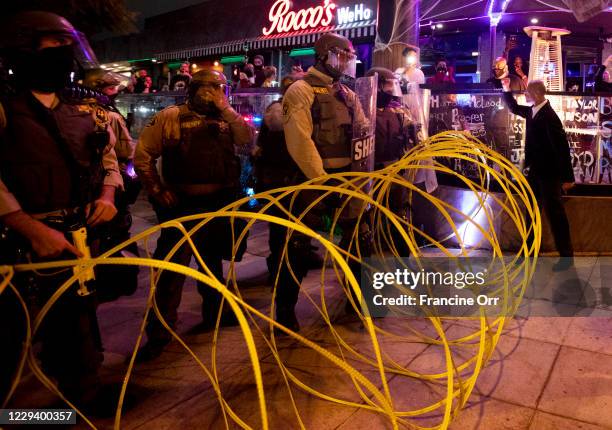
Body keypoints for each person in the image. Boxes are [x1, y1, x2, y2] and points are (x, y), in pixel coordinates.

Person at [0, 11, 123, 413]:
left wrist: (107, 196)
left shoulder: (83, 112)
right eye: (53, 47)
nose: (64, 56)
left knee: (78, 322)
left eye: (66, 47)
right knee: (12, 337)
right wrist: (25, 225)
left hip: (75, 239)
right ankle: (18, 414)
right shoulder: (5, 111)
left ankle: (78, 398)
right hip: (18, 247)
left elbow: (108, 160)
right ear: (24, 52)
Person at [134, 69, 254, 361]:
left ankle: (215, 314)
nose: (218, 93)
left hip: (219, 202)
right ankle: (159, 332)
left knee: (212, 264)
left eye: (221, 89)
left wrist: (226, 109)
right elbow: (143, 155)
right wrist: (156, 189)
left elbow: (246, 139)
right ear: (197, 88)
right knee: (171, 270)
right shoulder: (171, 116)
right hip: (183, 205)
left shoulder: (227, 119)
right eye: (213, 88)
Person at [279, 32, 372, 330]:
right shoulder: (300, 91)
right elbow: (300, 141)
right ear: (326, 55)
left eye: (349, 57)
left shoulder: (348, 94)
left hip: (348, 181)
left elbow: (363, 132)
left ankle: (356, 302)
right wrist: (321, 181)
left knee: (359, 241)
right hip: (313, 183)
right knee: (297, 245)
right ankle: (284, 313)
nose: (347, 62)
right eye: (343, 56)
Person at [502, 79, 574, 270]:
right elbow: (514, 108)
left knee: (556, 215)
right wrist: (506, 89)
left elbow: (562, 148)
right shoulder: (534, 111)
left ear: (534, 94)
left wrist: (568, 178)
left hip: (550, 176)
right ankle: (529, 253)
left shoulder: (549, 116)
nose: (524, 94)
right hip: (535, 173)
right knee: (531, 213)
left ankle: (567, 258)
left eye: (527, 92)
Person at [83, 68, 140, 302]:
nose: (114, 93)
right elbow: (126, 150)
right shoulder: (109, 115)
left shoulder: (77, 112)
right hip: (107, 184)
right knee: (112, 234)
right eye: (109, 88)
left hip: (93, 186)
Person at [366, 67, 418, 257]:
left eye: (392, 88)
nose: (390, 92)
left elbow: (412, 134)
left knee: (401, 214)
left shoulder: (397, 109)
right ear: (376, 86)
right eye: (387, 87)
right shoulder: (362, 109)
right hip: (371, 172)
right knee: (368, 219)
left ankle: (404, 258)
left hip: (396, 169)